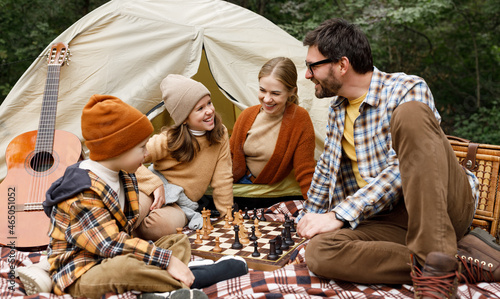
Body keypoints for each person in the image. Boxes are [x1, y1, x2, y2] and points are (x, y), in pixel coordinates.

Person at [296, 18, 500, 297]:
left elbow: (400, 170)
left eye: (312, 66)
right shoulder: (337, 110)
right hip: (387, 219)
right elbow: (326, 171)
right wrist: (308, 224)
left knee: (411, 113)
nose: (307, 75)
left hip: (442, 203)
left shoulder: (406, 89)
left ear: (342, 65)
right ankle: (460, 263)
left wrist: (340, 214)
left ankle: (436, 280)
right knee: (320, 253)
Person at [41, 94, 247, 298]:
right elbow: (110, 244)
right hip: (81, 272)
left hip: (114, 256)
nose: (146, 154)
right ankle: (194, 278)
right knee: (124, 268)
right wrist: (166, 260)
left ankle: (156, 291)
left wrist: (162, 255)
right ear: (117, 149)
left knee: (177, 241)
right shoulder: (82, 191)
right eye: (142, 148)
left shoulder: (126, 176)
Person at [134, 74, 233, 241]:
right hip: (153, 189)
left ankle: (132, 236)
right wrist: (153, 184)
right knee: (134, 212)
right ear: (184, 118)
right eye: (200, 108)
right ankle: (119, 237)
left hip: (180, 205)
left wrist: (227, 216)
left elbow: (222, 179)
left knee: (156, 227)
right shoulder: (168, 139)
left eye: (209, 103)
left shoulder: (221, 134)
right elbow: (129, 158)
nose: (209, 110)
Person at [230, 57, 316, 209]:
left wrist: (315, 208)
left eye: (275, 93)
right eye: (262, 90)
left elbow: (305, 169)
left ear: (291, 92)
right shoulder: (247, 115)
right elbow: (230, 156)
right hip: (241, 189)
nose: (267, 99)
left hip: (272, 194)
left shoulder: (300, 118)